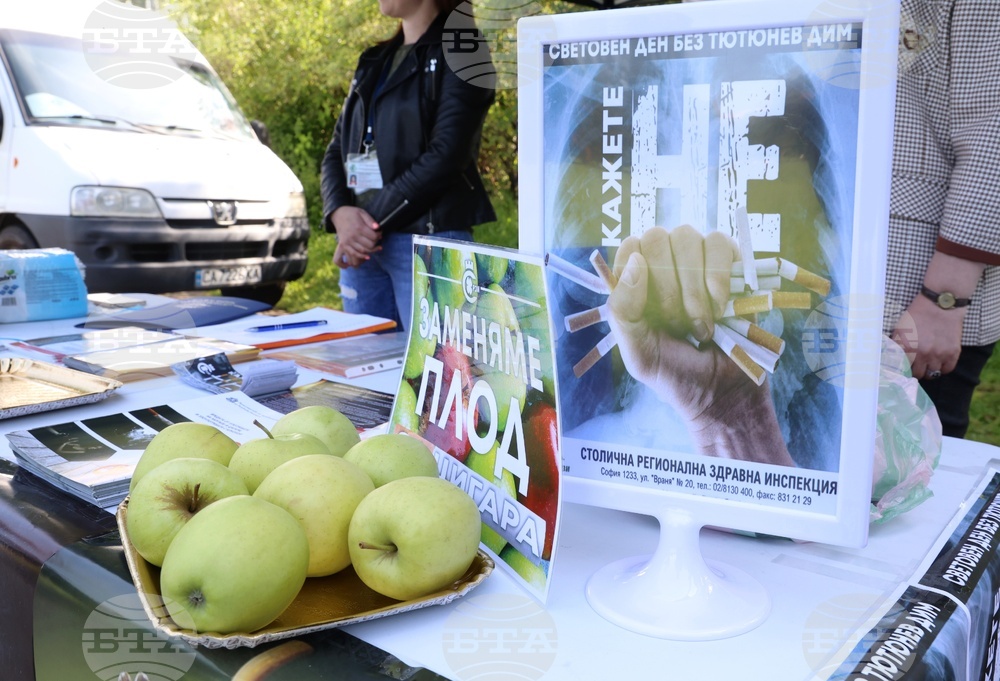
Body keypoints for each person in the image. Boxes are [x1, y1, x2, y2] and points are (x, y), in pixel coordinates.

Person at [320, 0, 496, 331]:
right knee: (365, 369)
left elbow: (447, 155)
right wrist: (339, 212)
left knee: (432, 376)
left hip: (424, 242)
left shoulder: (465, 49)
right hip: (364, 247)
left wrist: (366, 224)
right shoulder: (374, 60)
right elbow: (336, 151)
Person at [885, 0, 1000, 439]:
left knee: (910, 488)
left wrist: (944, 298)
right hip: (795, 268)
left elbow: (993, 125)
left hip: (916, 292)